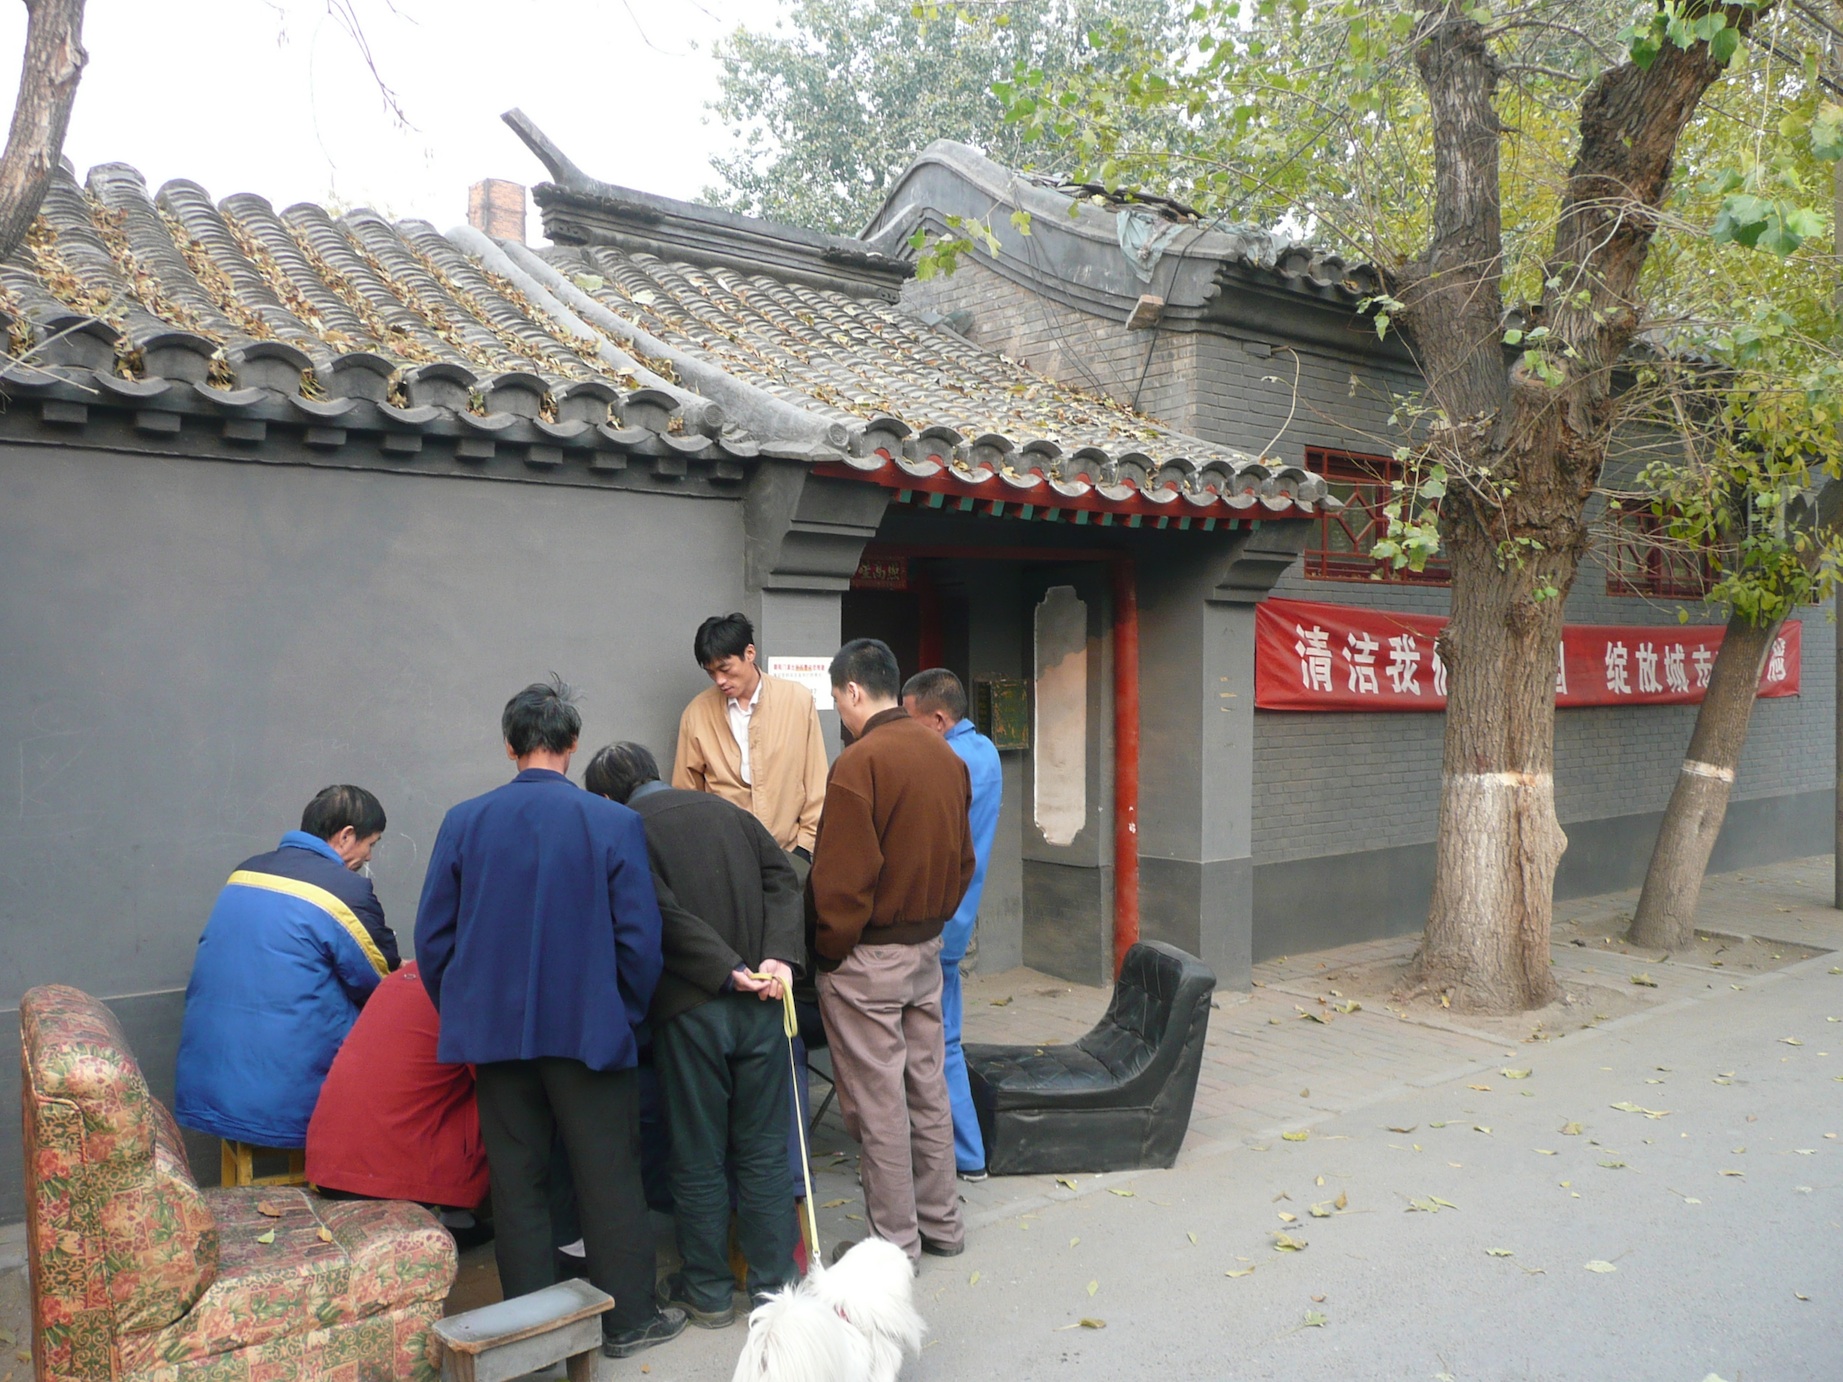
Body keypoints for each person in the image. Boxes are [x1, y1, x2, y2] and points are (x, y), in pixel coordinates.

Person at [414, 679, 683, 1359]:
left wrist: (470, 1012)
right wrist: (620, 1013)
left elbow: (434, 942)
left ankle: (532, 1341)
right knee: (609, 1179)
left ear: (509, 746)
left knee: (519, 1187)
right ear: (572, 744)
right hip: (592, 1032)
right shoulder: (612, 823)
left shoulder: (464, 822)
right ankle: (628, 1322)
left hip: (497, 1039)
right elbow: (640, 942)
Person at [585, 742, 803, 1326]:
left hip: (690, 1011)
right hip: (764, 1001)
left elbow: (658, 913)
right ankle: (775, 1286)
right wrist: (776, 957)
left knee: (698, 1152)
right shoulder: (731, 812)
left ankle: (707, 1289)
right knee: (764, 1149)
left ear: (605, 797)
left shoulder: (625, 830)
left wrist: (724, 967)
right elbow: (784, 881)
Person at [809, 639, 975, 1266]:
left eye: (839, 701)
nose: (841, 714)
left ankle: (896, 1246)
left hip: (867, 958)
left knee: (880, 1107)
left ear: (853, 691)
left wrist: (830, 953)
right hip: (925, 948)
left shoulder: (860, 762)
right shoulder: (945, 755)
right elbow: (963, 862)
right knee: (927, 1091)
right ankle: (943, 1224)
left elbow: (840, 883)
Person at [175, 785, 398, 1150]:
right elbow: (380, 982)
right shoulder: (344, 889)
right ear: (346, 836)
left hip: (209, 1086)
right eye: (370, 844)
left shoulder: (245, 872)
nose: (369, 856)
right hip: (286, 1098)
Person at [304, 960, 490, 1243]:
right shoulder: (466, 989)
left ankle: (458, 1219)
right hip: (384, 1178)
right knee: (500, 1092)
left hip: (329, 1165)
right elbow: (502, 1084)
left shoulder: (399, 978)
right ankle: (462, 1219)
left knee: (436, 1085)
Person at [901, 669, 1002, 1182]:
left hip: (934, 922)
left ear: (939, 719)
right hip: (961, 918)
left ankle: (954, 1154)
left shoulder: (946, 763)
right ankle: (968, 1154)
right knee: (946, 1040)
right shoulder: (985, 752)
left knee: (928, 1048)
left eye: (911, 721)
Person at [672, 612, 828, 882]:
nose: (719, 680)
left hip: (790, 852)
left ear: (750, 653)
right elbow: (687, 794)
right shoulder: (696, 713)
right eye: (711, 672)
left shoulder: (797, 700)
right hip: (725, 857)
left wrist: (805, 847)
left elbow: (816, 780)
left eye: (725, 669)